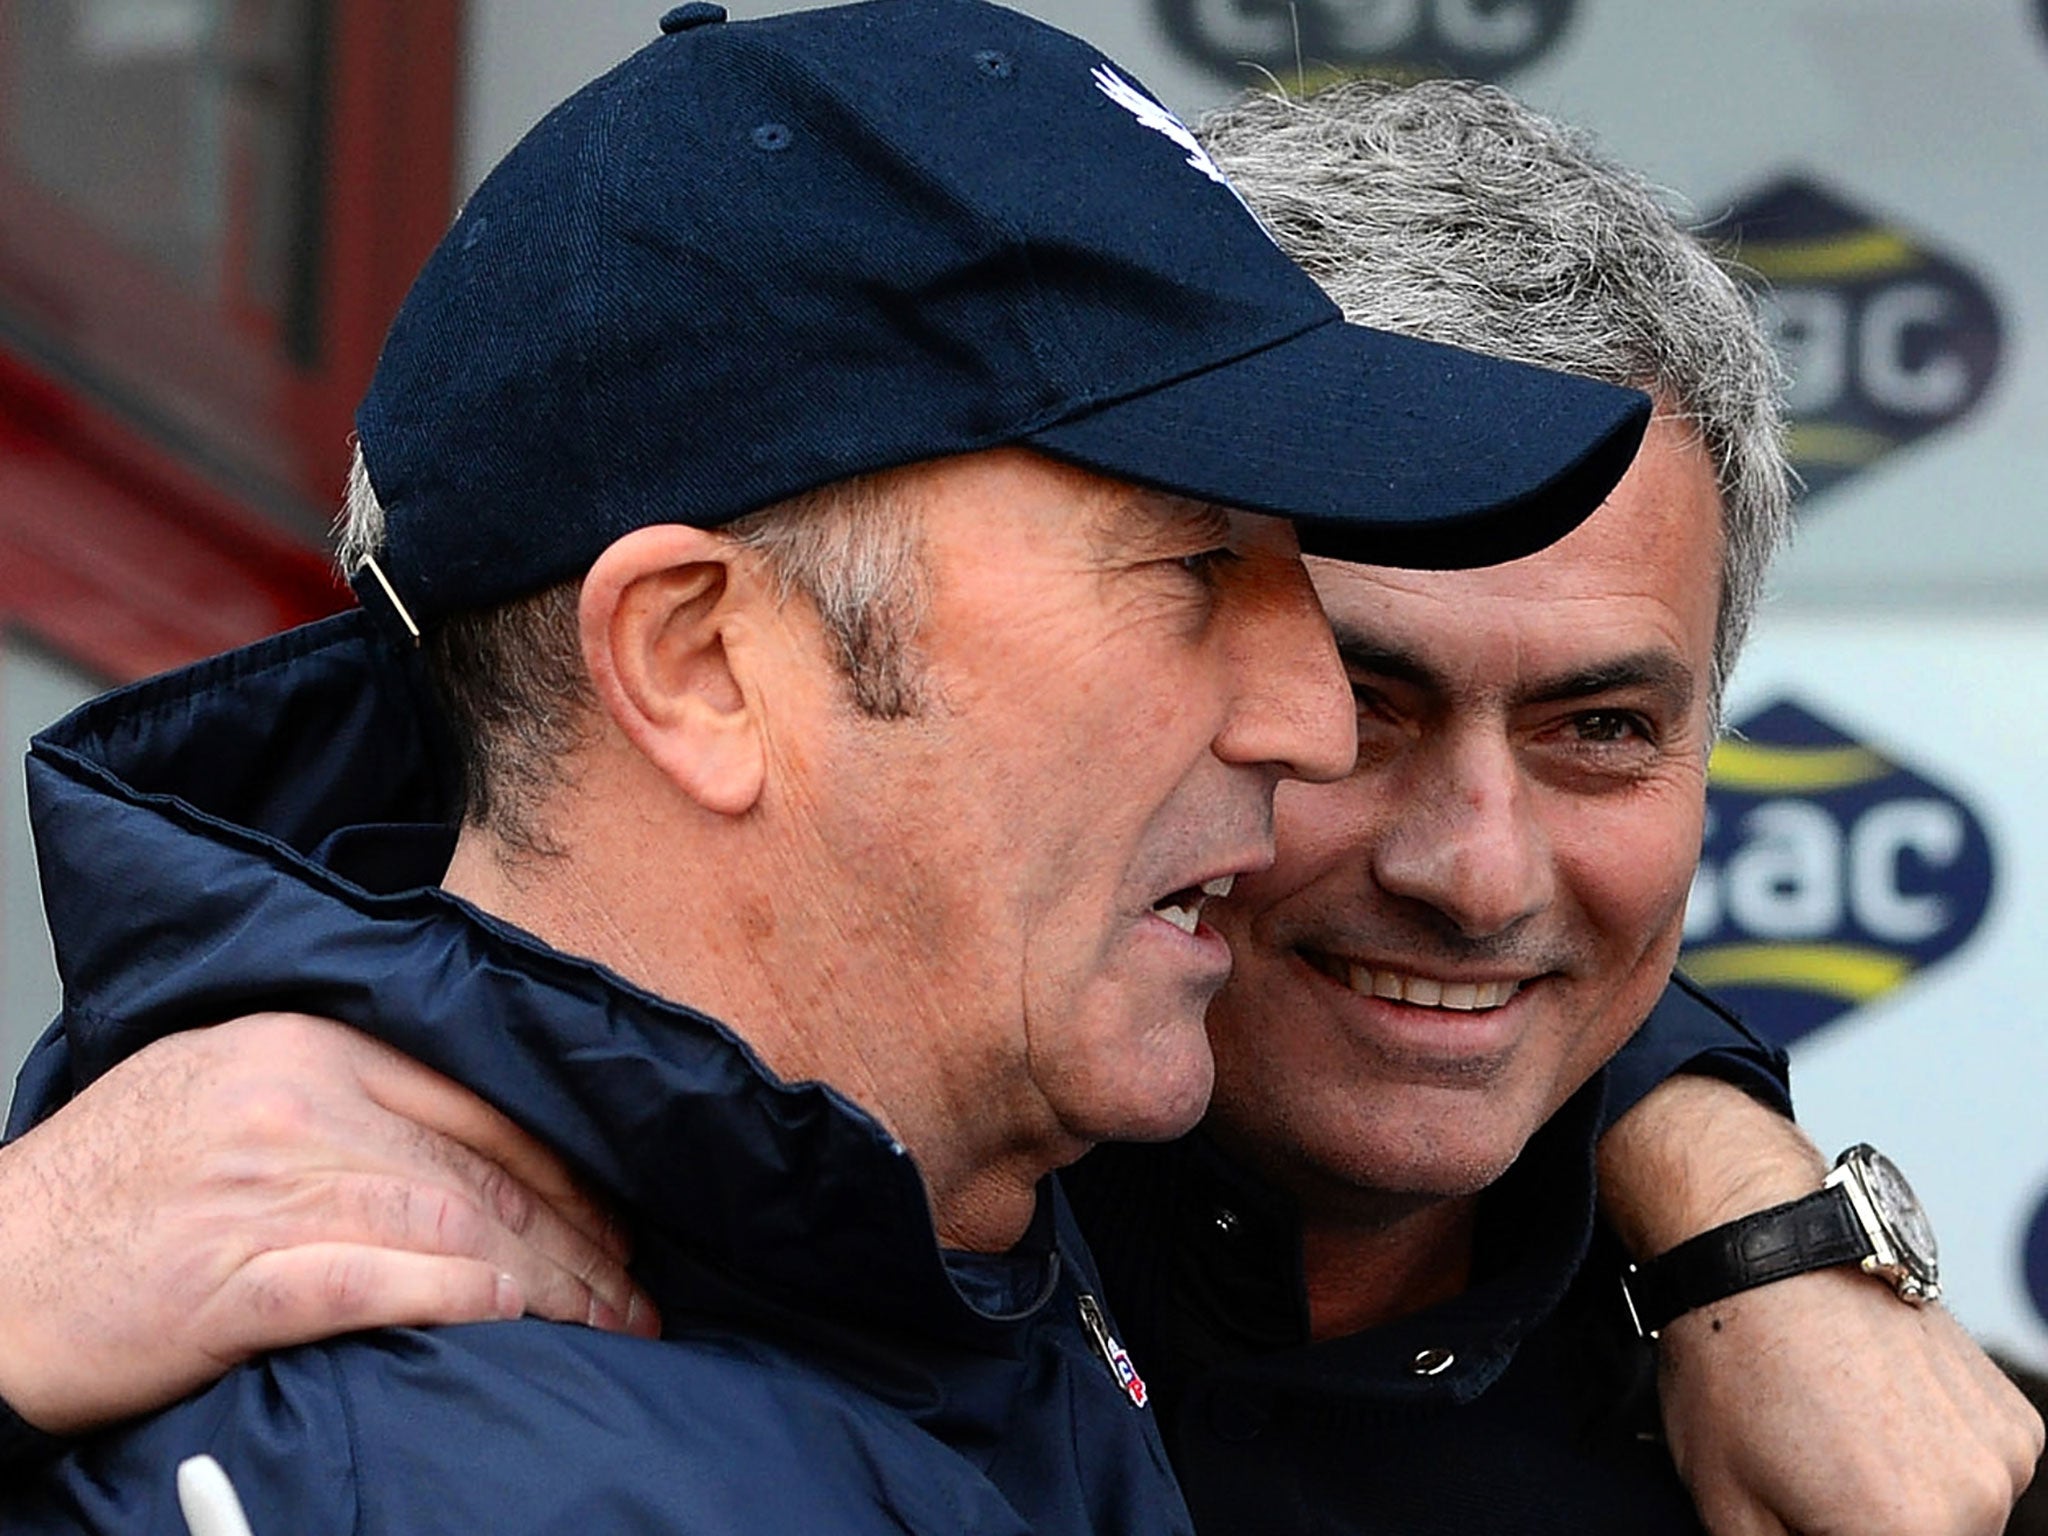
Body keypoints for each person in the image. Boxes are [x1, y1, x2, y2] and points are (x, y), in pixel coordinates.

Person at [0, 41, 2031, 1536]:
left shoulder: (960, 1224)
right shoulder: (383, 1323)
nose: (1332, 746)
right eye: (1200, 581)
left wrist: (1739, 1216)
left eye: (1602, 727)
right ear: (697, 663)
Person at [1059, 76, 2038, 1536]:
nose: (1477, 870)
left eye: (1599, 727)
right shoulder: (734, 1316)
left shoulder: (1910, 1487)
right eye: (1357, 702)